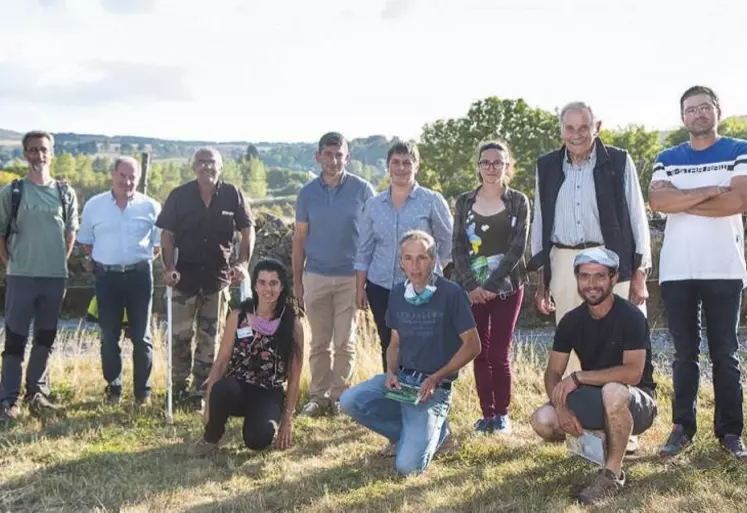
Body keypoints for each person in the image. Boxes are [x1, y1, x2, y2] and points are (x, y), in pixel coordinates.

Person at [648, 85, 747, 461]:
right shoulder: (668, 157)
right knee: (683, 354)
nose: (698, 114)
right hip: (677, 270)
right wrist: (709, 190)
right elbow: (658, 201)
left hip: (724, 267)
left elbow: (738, 200)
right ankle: (681, 429)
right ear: (682, 117)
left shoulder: (739, 149)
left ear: (717, 111)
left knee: (725, 354)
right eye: (691, 110)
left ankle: (730, 433)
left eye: (705, 107)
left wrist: (683, 201)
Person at [340, 230, 480, 475]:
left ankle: (436, 431)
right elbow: (394, 342)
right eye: (408, 258)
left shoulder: (452, 294)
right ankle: (417, 433)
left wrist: (437, 377)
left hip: (434, 389)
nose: (415, 266)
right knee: (350, 401)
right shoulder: (397, 293)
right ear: (400, 262)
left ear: (434, 260)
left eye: (422, 258)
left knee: (407, 468)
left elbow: (473, 345)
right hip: (403, 383)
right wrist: (391, 371)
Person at [529, 101, 652, 370]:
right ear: (561, 131)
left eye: (584, 127)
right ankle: (574, 406)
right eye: (569, 127)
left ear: (597, 128)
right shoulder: (546, 166)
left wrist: (640, 273)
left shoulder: (618, 161)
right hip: (563, 262)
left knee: (623, 339)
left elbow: (637, 217)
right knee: (570, 342)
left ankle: (624, 406)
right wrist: (542, 281)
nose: (577, 134)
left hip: (611, 259)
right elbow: (540, 222)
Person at [530, 247, 657, 505]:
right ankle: (599, 440)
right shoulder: (571, 321)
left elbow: (632, 373)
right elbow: (553, 371)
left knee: (612, 390)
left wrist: (578, 377)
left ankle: (612, 474)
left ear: (613, 278)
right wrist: (560, 407)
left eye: (599, 276)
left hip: (636, 400)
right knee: (542, 420)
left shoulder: (631, 317)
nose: (591, 284)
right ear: (576, 278)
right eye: (585, 276)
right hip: (594, 396)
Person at [156, 147, 255, 410]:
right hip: (184, 278)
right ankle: (176, 388)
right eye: (200, 163)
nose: (206, 168)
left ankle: (199, 392)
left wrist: (243, 263)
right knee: (179, 336)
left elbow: (247, 230)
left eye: (211, 163)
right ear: (193, 168)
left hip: (217, 278)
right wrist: (169, 267)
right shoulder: (179, 195)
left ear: (220, 167)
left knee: (210, 339)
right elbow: (167, 233)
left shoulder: (232, 194)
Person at [292, 132, 375, 417]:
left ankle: (341, 398)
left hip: (350, 277)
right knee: (318, 342)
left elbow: (371, 236)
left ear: (347, 157)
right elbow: (299, 239)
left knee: (345, 341)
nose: (334, 160)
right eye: (328, 154)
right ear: (318, 156)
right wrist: (297, 282)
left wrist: (364, 281)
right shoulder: (307, 193)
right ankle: (318, 397)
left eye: (339, 154)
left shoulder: (363, 190)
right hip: (314, 275)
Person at [0, 130, 79, 423]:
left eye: (44, 150)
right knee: (15, 340)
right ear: (25, 154)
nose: (39, 155)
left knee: (45, 338)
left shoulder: (64, 192)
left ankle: (37, 394)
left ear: (51, 153)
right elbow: (1, 234)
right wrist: (13, 263)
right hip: (21, 276)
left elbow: (70, 234)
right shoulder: (13, 191)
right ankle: (8, 400)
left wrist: (56, 263)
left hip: (54, 277)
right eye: (33, 150)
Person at [451, 140, 529, 435]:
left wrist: (493, 285)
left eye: (498, 162)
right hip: (472, 291)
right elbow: (458, 246)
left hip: (507, 288)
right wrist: (471, 286)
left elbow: (518, 247)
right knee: (479, 352)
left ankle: (502, 415)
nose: (492, 168)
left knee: (498, 353)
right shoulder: (463, 203)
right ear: (478, 166)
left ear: (507, 166)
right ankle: (486, 415)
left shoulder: (519, 202)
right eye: (486, 162)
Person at [355, 141, 454, 372]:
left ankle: (420, 395)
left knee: (420, 342)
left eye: (407, 163)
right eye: (395, 163)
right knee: (388, 343)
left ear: (416, 166)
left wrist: (434, 270)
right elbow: (364, 249)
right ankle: (393, 395)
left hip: (419, 286)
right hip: (380, 287)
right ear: (388, 167)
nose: (401, 168)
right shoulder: (373, 205)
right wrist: (360, 287)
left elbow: (447, 240)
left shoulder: (431, 200)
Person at [189, 258, 304, 456]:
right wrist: (208, 404)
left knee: (258, 440)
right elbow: (221, 362)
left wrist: (287, 420)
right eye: (262, 282)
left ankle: (258, 422)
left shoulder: (292, 324)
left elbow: (294, 377)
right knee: (223, 389)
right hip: (237, 387)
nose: (268, 289)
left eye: (274, 283)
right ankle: (211, 437)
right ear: (254, 286)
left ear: (282, 286)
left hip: (269, 392)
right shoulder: (238, 315)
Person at [77, 156, 161, 407]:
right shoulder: (95, 205)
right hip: (107, 277)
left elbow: (157, 245)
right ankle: (114, 388)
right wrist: (109, 260)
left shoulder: (151, 206)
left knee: (141, 335)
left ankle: (142, 393)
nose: (127, 181)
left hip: (139, 276)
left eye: (132, 176)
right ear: (113, 174)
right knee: (109, 334)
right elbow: (86, 243)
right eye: (123, 175)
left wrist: (132, 260)